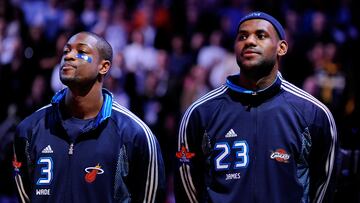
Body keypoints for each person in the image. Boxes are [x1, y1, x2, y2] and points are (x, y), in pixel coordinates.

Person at [175, 11, 338, 203]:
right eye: (242, 36)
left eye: (261, 36)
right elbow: (187, 187)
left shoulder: (313, 113)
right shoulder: (200, 113)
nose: (249, 41)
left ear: (282, 48)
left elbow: (325, 188)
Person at [12, 31, 165, 203]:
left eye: (82, 52)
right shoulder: (30, 128)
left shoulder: (135, 134)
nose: (69, 56)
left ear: (104, 67)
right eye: (66, 51)